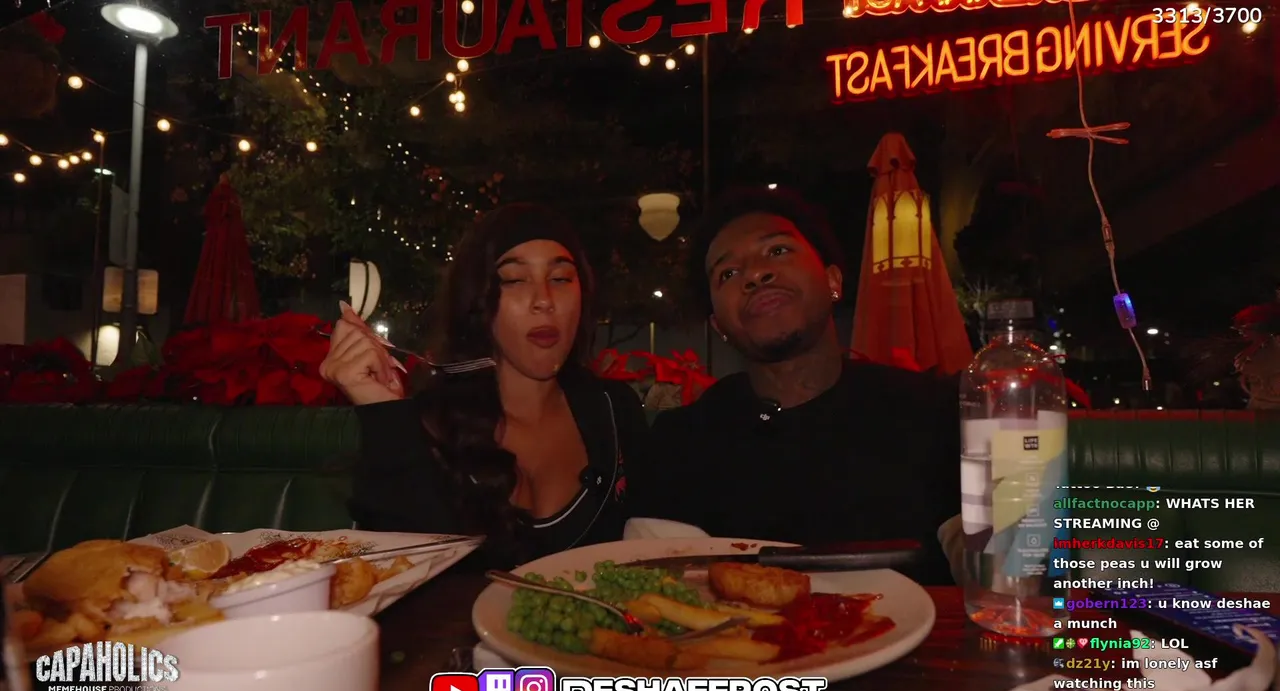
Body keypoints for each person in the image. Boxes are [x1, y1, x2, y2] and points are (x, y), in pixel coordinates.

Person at [630, 188, 961, 585]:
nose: (755, 274)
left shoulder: (933, 414)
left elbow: (999, 566)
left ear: (833, 280)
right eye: (728, 274)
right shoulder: (680, 443)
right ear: (719, 327)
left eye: (778, 251)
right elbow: (665, 590)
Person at [320, 203, 649, 564]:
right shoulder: (427, 429)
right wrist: (382, 410)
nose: (544, 300)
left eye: (560, 279)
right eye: (514, 280)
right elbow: (400, 569)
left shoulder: (614, 412)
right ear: (476, 302)